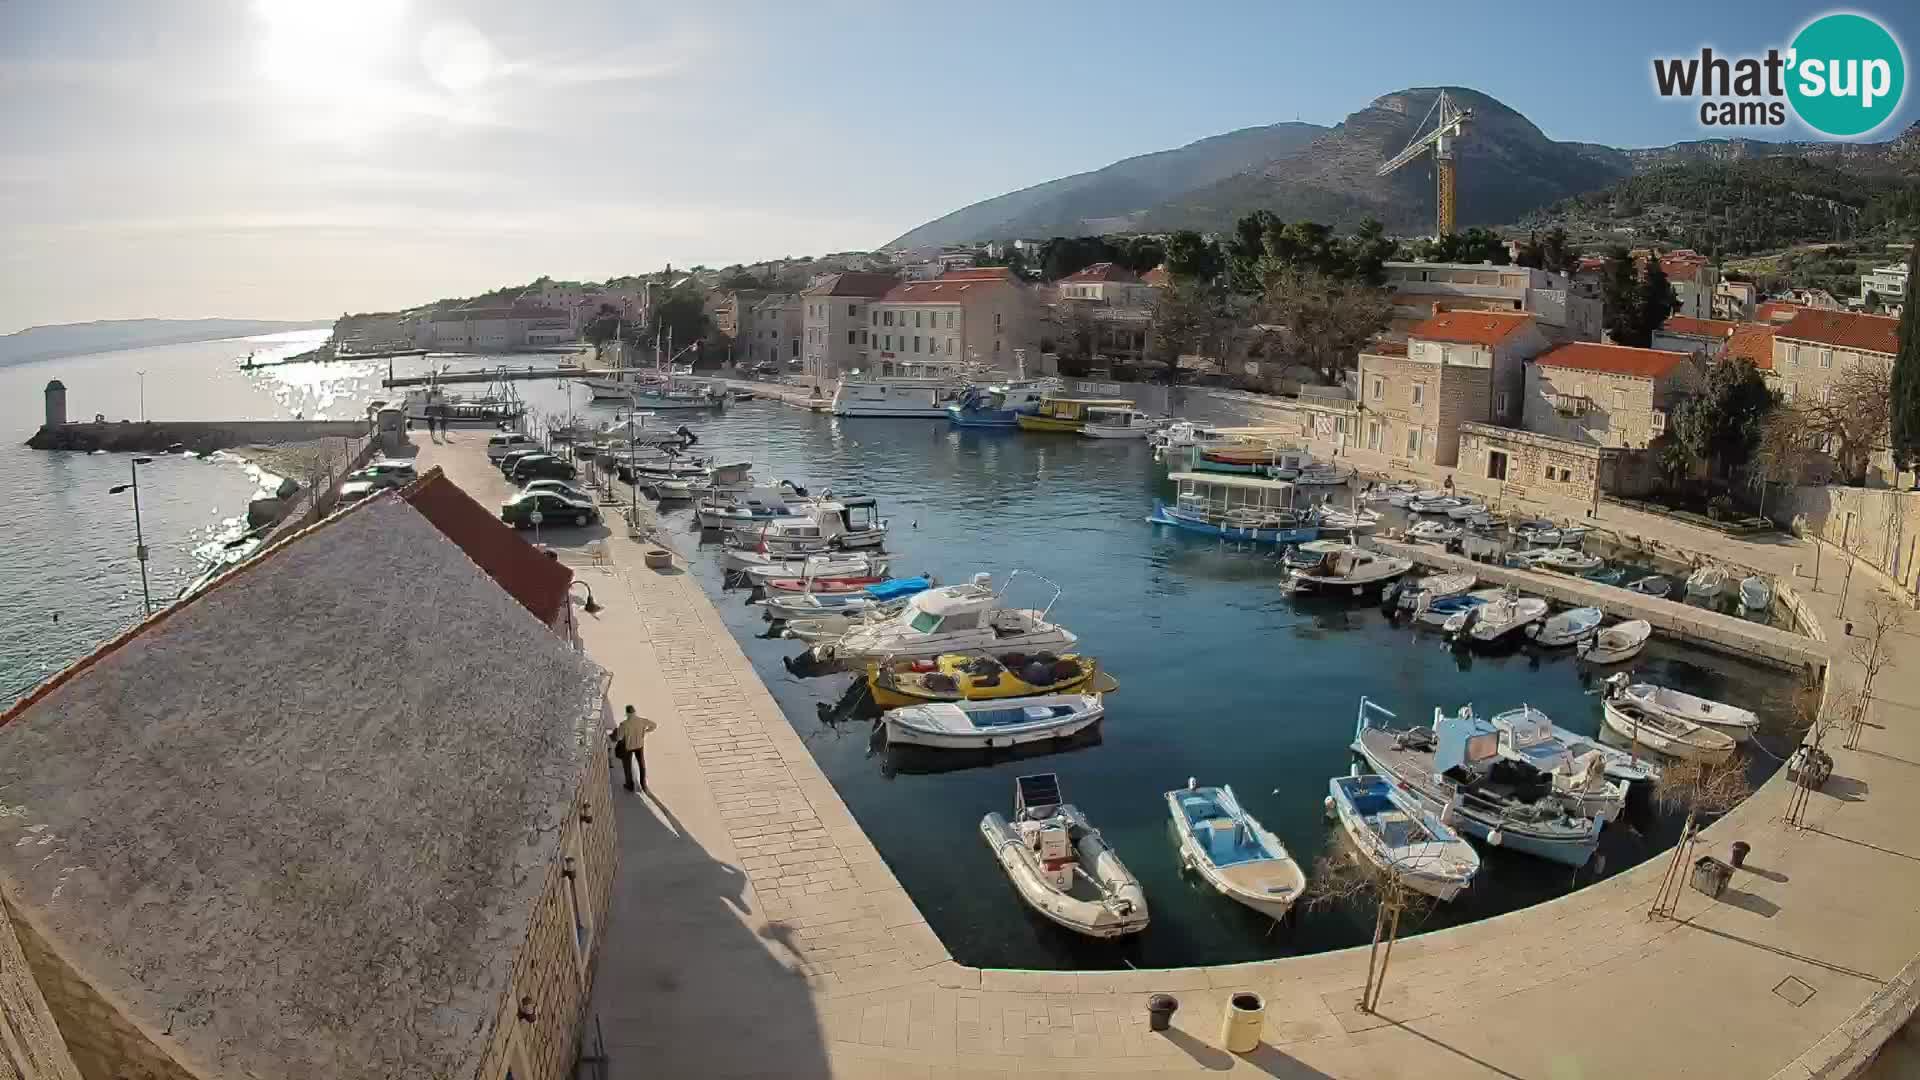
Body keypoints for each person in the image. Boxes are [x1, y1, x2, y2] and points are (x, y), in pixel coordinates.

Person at [615, 705, 658, 793]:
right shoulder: (642, 721)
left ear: (627, 713)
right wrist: (645, 732)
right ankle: (643, 784)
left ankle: (630, 785)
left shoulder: (624, 724)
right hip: (639, 745)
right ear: (635, 712)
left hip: (628, 746)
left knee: (627, 766)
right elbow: (654, 725)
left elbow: (619, 737)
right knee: (641, 765)